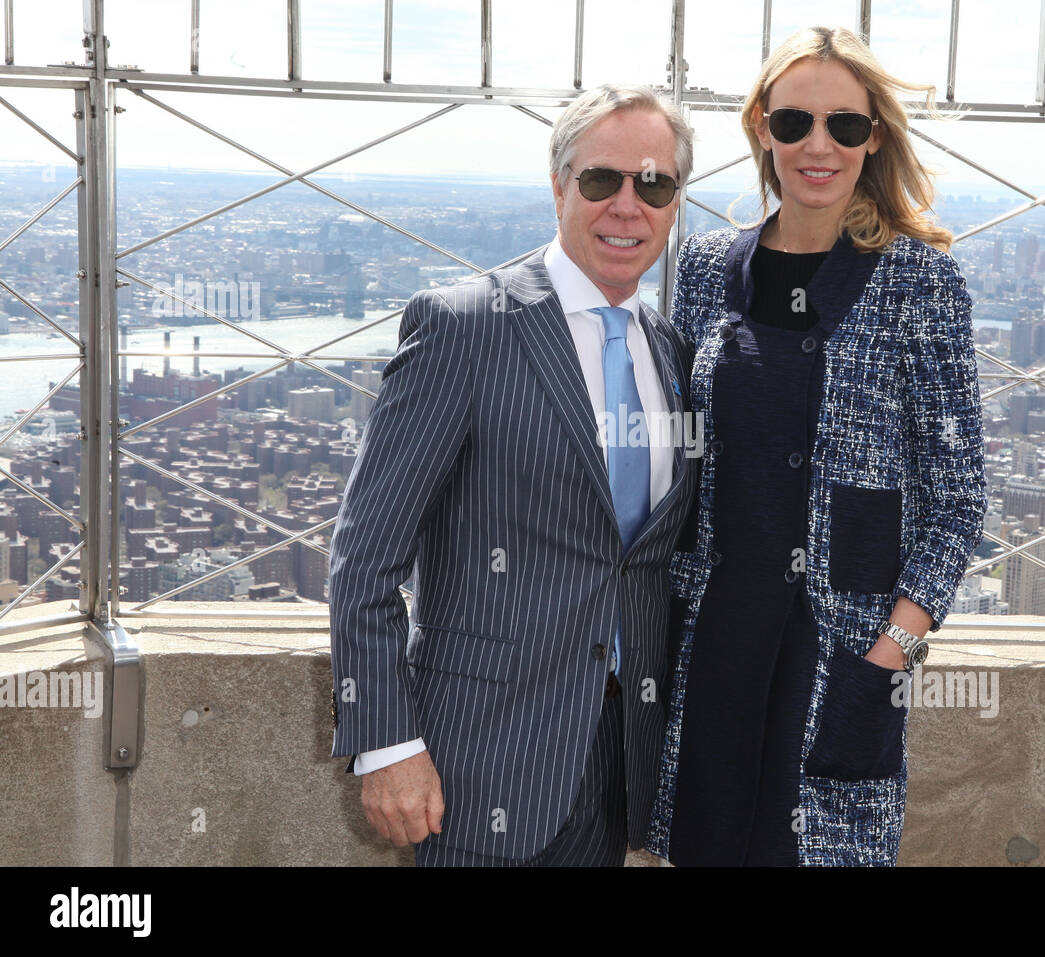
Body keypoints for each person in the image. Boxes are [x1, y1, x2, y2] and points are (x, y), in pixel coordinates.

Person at [329, 84, 697, 867]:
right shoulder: (465, 325)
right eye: (602, 180)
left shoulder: (670, 352)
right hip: (477, 767)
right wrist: (386, 743)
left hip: (618, 778)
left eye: (654, 184)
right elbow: (365, 557)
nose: (628, 206)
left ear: (674, 202)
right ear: (558, 184)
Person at [647, 26, 987, 866]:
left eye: (846, 125)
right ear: (761, 125)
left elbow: (960, 498)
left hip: (837, 659)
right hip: (711, 648)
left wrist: (890, 654)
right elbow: (676, 453)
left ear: (875, 139)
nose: (819, 145)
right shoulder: (702, 268)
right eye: (795, 121)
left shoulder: (918, 281)